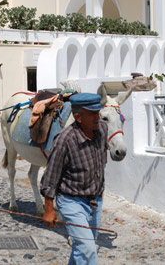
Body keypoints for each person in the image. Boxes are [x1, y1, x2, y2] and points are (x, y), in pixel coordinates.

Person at [40, 92, 108, 265]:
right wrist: (49, 209)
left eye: (98, 112)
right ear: (78, 117)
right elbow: (50, 177)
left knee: (82, 249)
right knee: (87, 250)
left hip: (95, 200)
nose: (97, 117)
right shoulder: (65, 140)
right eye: (92, 114)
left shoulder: (102, 129)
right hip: (72, 201)